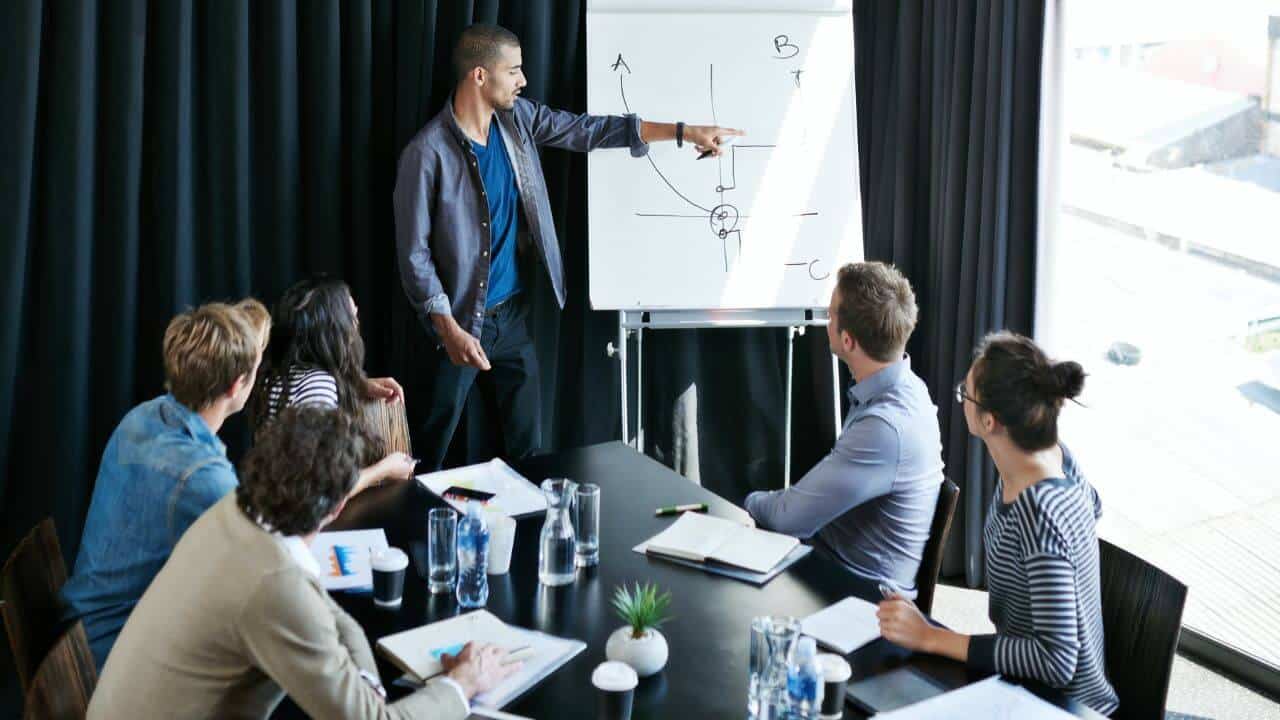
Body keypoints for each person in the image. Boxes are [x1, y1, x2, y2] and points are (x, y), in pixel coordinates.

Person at [394, 23, 744, 469]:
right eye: (513, 71)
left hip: (511, 320)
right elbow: (414, 256)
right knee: (427, 457)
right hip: (457, 324)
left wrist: (684, 132)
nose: (523, 80)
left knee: (529, 453)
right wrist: (448, 329)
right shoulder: (426, 153)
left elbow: (587, 130)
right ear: (480, 75)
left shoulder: (517, 121)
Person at [88, 406, 520, 719]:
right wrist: (462, 684)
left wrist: (365, 687)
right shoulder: (274, 585)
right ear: (338, 506)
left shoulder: (234, 512)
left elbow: (331, 615)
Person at [876, 332, 1119, 715]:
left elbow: (1056, 661)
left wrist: (932, 637)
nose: (962, 398)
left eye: (965, 393)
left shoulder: (1038, 510)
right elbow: (1092, 510)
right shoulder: (1054, 456)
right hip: (1023, 684)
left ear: (989, 421)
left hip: (1061, 705)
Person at [61, 300, 264, 669]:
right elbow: (262, 565)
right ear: (237, 385)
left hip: (79, 634)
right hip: (112, 659)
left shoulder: (141, 417)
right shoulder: (205, 478)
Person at [744, 262, 944, 596]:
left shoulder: (884, 428)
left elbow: (788, 519)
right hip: (838, 559)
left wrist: (745, 502)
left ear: (848, 341)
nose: (826, 320)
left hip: (858, 591)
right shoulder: (907, 387)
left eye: (830, 314)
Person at [249, 276, 416, 497]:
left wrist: (356, 385)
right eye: (351, 317)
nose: (356, 324)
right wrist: (386, 469)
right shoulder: (319, 384)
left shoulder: (277, 377)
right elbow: (324, 491)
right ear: (334, 330)